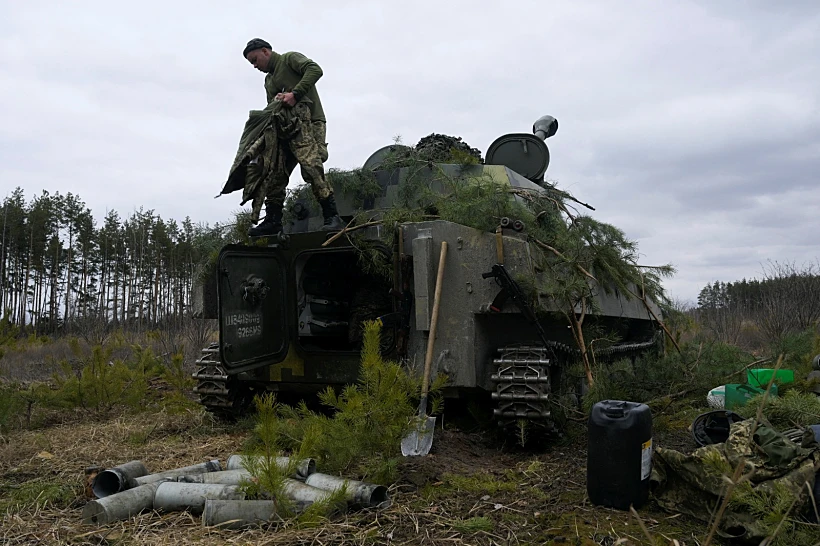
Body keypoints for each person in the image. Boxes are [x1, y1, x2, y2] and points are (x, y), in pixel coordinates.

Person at [242, 38, 343, 236]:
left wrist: (295, 94)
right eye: (251, 63)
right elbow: (273, 109)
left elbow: (315, 69)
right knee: (275, 172)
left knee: (311, 166)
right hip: (286, 129)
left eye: (255, 60)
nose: (254, 66)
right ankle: (273, 221)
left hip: (311, 122)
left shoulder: (289, 59)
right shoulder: (268, 81)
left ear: (265, 51)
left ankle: (332, 216)